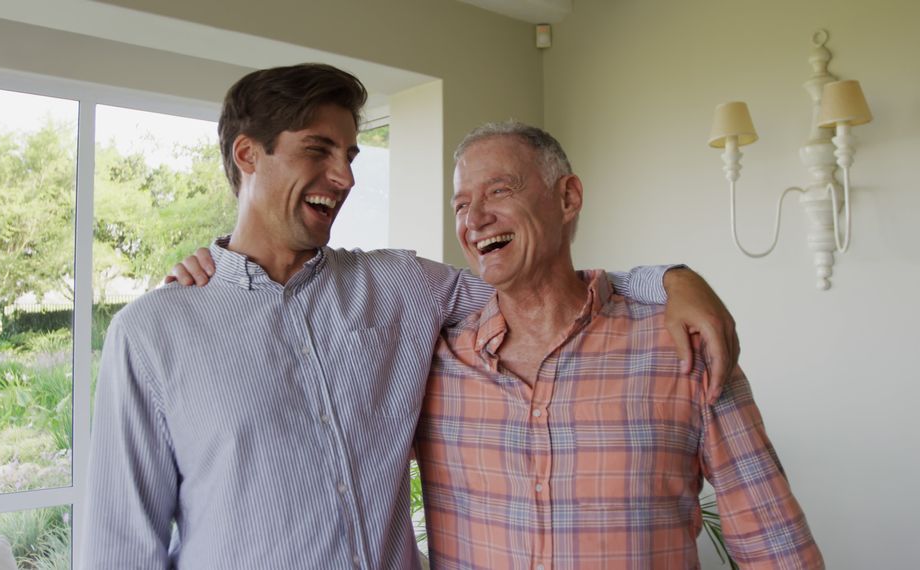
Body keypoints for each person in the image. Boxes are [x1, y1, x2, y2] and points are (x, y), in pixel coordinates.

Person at [84, 63, 738, 568]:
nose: (344, 176)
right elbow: (120, 545)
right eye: (319, 150)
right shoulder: (154, 333)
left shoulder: (403, 285)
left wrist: (670, 279)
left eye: (350, 155)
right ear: (248, 156)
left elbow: (543, 293)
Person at [414, 122, 823, 568]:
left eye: (498, 191)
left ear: (568, 198)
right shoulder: (428, 365)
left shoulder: (682, 346)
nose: (474, 219)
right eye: (461, 204)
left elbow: (775, 547)